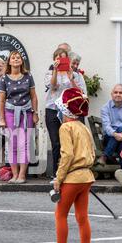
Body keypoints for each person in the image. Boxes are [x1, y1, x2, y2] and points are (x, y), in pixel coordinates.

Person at [38, 88, 95, 243]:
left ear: (65, 111)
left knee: (60, 215)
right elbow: (91, 153)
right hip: (86, 176)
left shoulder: (65, 127)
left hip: (72, 177)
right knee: (82, 217)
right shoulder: (83, 127)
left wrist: (58, 178)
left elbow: (67, 155)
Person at [0, 51, 38, 183]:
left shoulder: (28, 76)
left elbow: (33, 96)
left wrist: (35, 113)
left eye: (18, 57)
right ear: (9, 62)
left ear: (22, 61)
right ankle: (14, 174)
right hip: (10, 113)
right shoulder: (4, 78)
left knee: (24, 144)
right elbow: (1, 101)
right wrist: (2, 119)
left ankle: (22, 175)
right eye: (13, 58)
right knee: (12, 144)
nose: (16, 59)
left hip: (26, 113)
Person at [45, 48, 80, 177]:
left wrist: (71, 78)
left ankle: (68, 171)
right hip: (53, 110)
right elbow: (53, 86)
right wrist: (55, 70)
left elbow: (79, 92)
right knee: (56, 142)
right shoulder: (49, 72)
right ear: (55, 59)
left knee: (68, 142)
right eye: (58, 58)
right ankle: (56, 173)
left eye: (64, 58)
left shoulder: (73, 74)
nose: (61, 60)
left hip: (67, 111)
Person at [99, 84, 122, 169]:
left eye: (121, 93)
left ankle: (105, 156)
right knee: (121, 130)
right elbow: (107, 127)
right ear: (112, 94)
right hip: (108, 138)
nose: (118, 94)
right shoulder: (105, 108)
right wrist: (116, 134)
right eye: (115, 92)